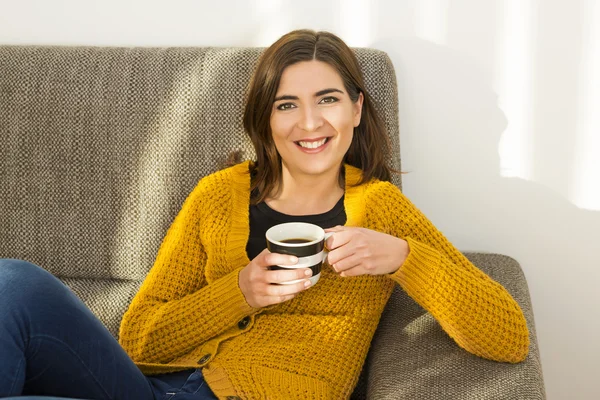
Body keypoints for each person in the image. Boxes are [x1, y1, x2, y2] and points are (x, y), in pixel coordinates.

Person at [0, 29, 529, 400]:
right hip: (145, 388)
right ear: (266, 117)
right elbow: (138, 338)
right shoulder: (217, 195)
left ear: (357, 109)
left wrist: (405, 258)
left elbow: (507, 336)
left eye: (327, 99)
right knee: (13, 281)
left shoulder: (380, 208)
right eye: (286, 104)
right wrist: (241, 292)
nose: (309, 123)